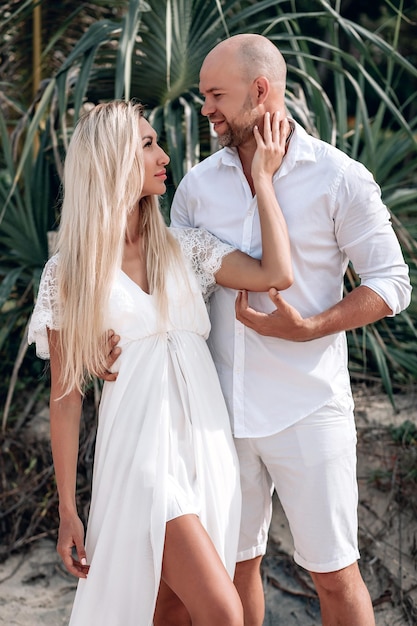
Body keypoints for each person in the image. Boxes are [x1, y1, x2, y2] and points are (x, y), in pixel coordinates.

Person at [166, 34, 412, 626]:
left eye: (216, 95)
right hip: (217, 410)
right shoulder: (198, 187)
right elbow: (173, 291)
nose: (206, 110)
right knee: (234, 568)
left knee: (334, 575)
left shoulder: (338, 176)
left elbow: (391, 283)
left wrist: (312, 328)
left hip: (308, 406)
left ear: (260, 90)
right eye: (203, 97)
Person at [28, 99, 292, 626]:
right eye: (147, 144)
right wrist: (67, 509)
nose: (163, 154)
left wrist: (263, 180)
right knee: (223, 612)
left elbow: (277, 274)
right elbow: (65, 397)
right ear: (112, 162)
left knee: (170, 608)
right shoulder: (69, 274)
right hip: (140, 456)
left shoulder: (187, 249)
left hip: (206, 449)